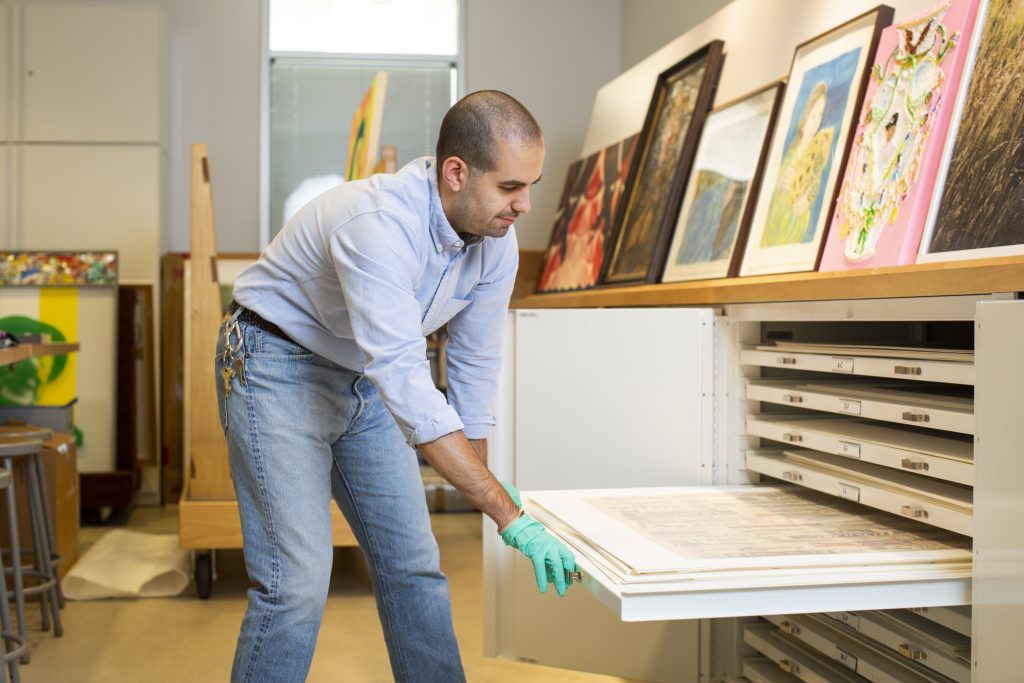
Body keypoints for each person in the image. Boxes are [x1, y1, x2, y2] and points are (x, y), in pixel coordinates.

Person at [215, 90, 576, 683]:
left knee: (415, 567)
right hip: (274, 366)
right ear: (457, 173)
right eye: (512, 187)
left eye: (531, 185)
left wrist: (480, 481)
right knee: (297, 583)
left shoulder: (496, 242)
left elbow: (473, 366)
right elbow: (406, 379)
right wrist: (508, 514)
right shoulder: (378, 223)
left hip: (361, 376)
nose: (526, 205)